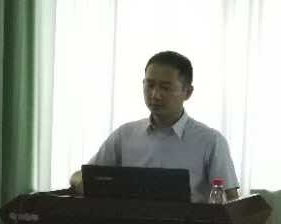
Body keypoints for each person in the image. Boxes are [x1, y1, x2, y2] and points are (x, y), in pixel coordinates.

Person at [70, 51, 240, 202]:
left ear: (187, 92)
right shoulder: (125, 135)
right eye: (150, 85)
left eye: (165, 88)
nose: (155, 95)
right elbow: (83, 177)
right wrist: (80, 183)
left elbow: (231, 201)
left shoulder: (210, 141)